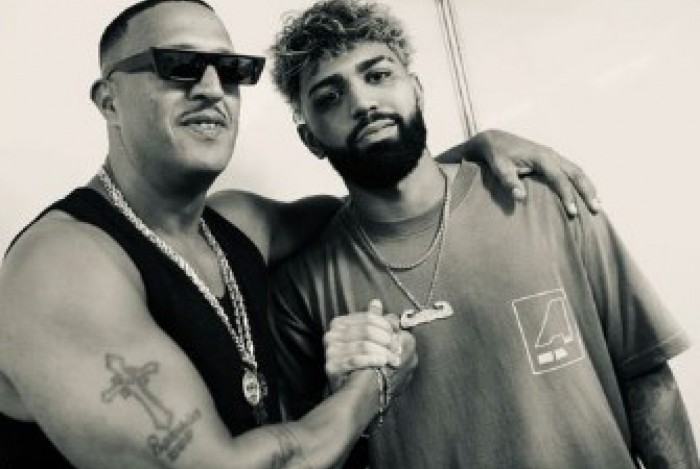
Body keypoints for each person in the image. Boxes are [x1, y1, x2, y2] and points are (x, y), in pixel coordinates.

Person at [0, 0, 599, 467]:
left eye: (230, 71)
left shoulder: (238, 224)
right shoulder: (61, 266)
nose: (210, 88)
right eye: (178, 65)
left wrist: (471, 153)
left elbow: (378, 192)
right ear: (109, 100)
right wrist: (372, 385)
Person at [268, 1, 699, 468]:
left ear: (417, 89)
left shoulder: (544, 199)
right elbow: (315, 455)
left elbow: (646, 375)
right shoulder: (301, 290)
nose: (363, 103)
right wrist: (347, 397)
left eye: (378, 75)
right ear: (310, 139)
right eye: (329, 97)